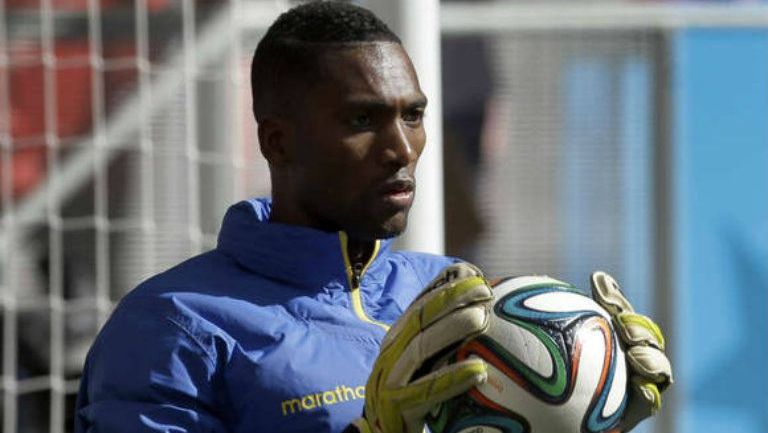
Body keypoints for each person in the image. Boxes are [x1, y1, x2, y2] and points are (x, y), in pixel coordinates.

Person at [74, 3, 671, 433]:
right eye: (363, 120)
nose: (401, 148)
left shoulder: (455, 293)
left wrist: (598, 411)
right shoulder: (174, 326)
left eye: (413, 116)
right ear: (278, 142)